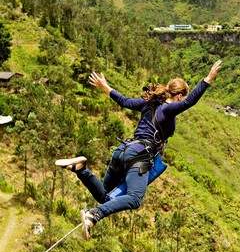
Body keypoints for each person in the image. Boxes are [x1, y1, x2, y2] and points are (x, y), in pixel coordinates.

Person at [55, 60, 222, 239]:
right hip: (139, 156)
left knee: (105, 197)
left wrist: (106, 87)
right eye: (182, 97)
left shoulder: (148, 103)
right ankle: (93, 215)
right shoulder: (169, 109)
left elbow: (125, 101)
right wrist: (208, 79)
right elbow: (190, 102)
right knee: (134, 199)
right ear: (179, 95)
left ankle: (81, 169)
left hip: (122, 151)